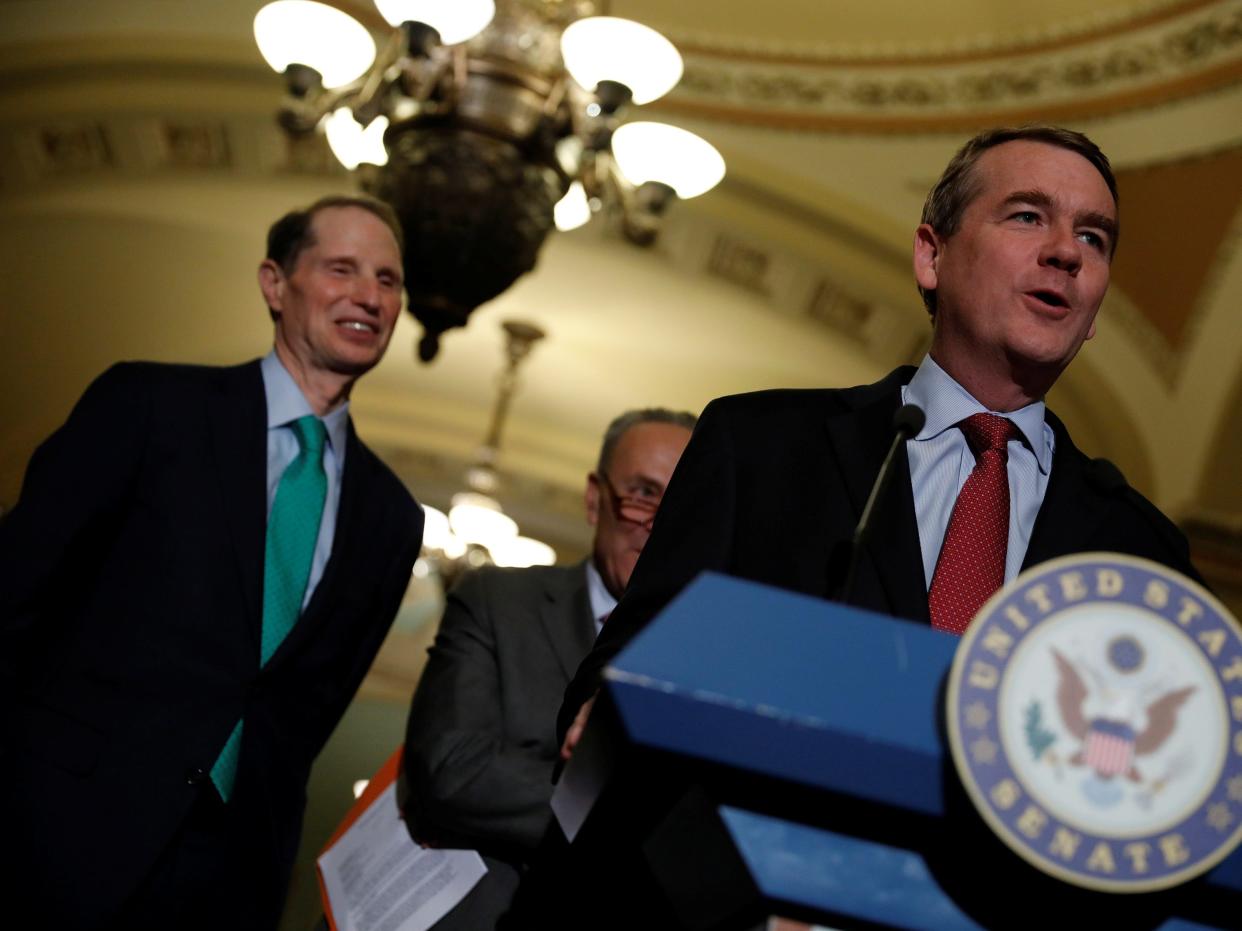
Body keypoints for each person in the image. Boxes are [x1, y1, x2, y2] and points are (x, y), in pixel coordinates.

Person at [558, 125, 1203, 753]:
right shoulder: (759, 447)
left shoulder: (1140, 548)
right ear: (932, 255)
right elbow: (620, 669)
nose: (1067, 252)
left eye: (1093, 238)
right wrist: (608, 708)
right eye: (1028, 217)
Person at [0, 195, 425, 929]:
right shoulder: (151, 404)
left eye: (388, 280)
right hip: (52, 832)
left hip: (227, 883)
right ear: (274, 283)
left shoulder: (393, 518)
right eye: (342, 269)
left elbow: (305, 714)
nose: (369, 295)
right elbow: (15, 591)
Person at [403, 408, 695, 929]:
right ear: (593, 498)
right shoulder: (498, 600)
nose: (659, 522)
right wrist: (637, 820)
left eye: (682, 504)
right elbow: (454, 773)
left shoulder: (709, 657)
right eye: (643, 494)